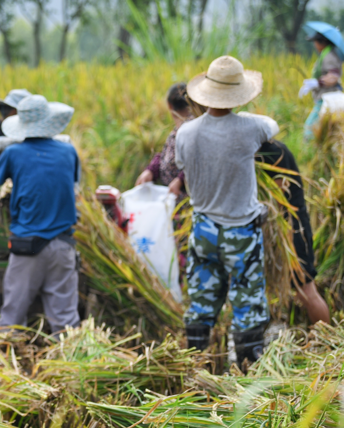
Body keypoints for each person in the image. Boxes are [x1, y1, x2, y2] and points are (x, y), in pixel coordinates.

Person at [175, 56, 279, 365]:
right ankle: (247, 370)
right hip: (241, 232)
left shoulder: (186, 133)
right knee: (248, 300)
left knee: (202, 299)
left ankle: (194, 366)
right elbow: (272, 127)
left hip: (203, 229)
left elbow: (182, 167)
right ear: (239, 94)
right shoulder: (251, 127)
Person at [0, 95, 81, 334]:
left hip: (27, 247)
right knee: (65, 318)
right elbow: (69, 186)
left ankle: (9, 359)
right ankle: (69, 363)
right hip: (63, 244)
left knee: (13, 315)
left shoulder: (13, 153)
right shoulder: (68, 151)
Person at [255, 139, 331, 325]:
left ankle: (330, 341)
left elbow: (279, 193)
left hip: (293, 232)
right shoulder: (269, 149)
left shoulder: (273, 152)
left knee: (306, 291)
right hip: (285, 230)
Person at [136, 83, 193, 199]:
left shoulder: (192, 129)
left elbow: (197, 159)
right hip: (171, 199)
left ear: (169, 106)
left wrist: (180, 180)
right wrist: (151, 170)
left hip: (186, 203)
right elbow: (166, 156)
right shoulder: (178, 130)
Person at [304, 29, 342, 140]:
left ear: (321, 42)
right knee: (328, 129)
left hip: (327, 98)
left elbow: (333, 76)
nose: (315, 45)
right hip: (325, 97)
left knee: (310, 127)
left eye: (315, 42)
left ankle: (307, 151)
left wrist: (317, 82)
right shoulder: (326, 54)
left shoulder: (329, 56)